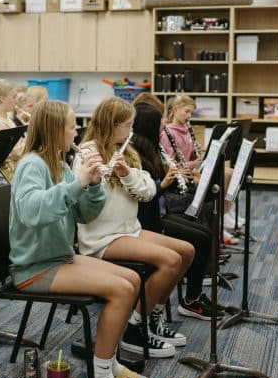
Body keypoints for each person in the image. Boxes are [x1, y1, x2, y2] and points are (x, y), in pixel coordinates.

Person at [10, 100, 148, 378]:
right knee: (122, 289)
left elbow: (85, 215)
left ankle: (107, 362)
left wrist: (95, 184)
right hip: (34, 266)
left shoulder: (58, 164)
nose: (77, 132)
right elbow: (33, 212)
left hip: (57, 257)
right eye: (72, 126)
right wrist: (79, 183)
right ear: (54, 129)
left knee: (131, 278)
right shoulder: (32, 164)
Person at [76, 97, 193, 359]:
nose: (131, 131)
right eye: (127, 125)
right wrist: (98, 179)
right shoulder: (87, 152)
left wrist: (126, 173)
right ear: (111, 125)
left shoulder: (128, 152)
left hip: (130, 229)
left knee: (186, 251)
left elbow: (149, 192)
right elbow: (81, 199)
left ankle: (151, 317)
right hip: (102, 237)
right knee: (170, 260)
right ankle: (135, 329)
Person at [131, 103, 222, 321]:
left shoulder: (151, 148)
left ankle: (194, 296)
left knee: (202, 231)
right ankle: (191, 300)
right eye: (160, 121)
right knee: (199, 237)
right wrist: (164, 182)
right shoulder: (137, 153)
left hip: (158, 208)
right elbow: (145, 194)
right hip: (148, 217)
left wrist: (171, 176)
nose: (164, 124)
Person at [161, 95, 238, 243]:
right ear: (175, 110)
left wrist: (199, 154)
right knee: (221, 179)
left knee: (229, 173)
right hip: (181, 175)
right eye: (187, 112)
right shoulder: (167, 133)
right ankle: (219, 223)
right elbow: (169, 164)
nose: (189, 116)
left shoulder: (186, 129)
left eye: (191, 113)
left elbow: (189, 155)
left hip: (191, 170)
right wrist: (193, 164)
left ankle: (223, 218)